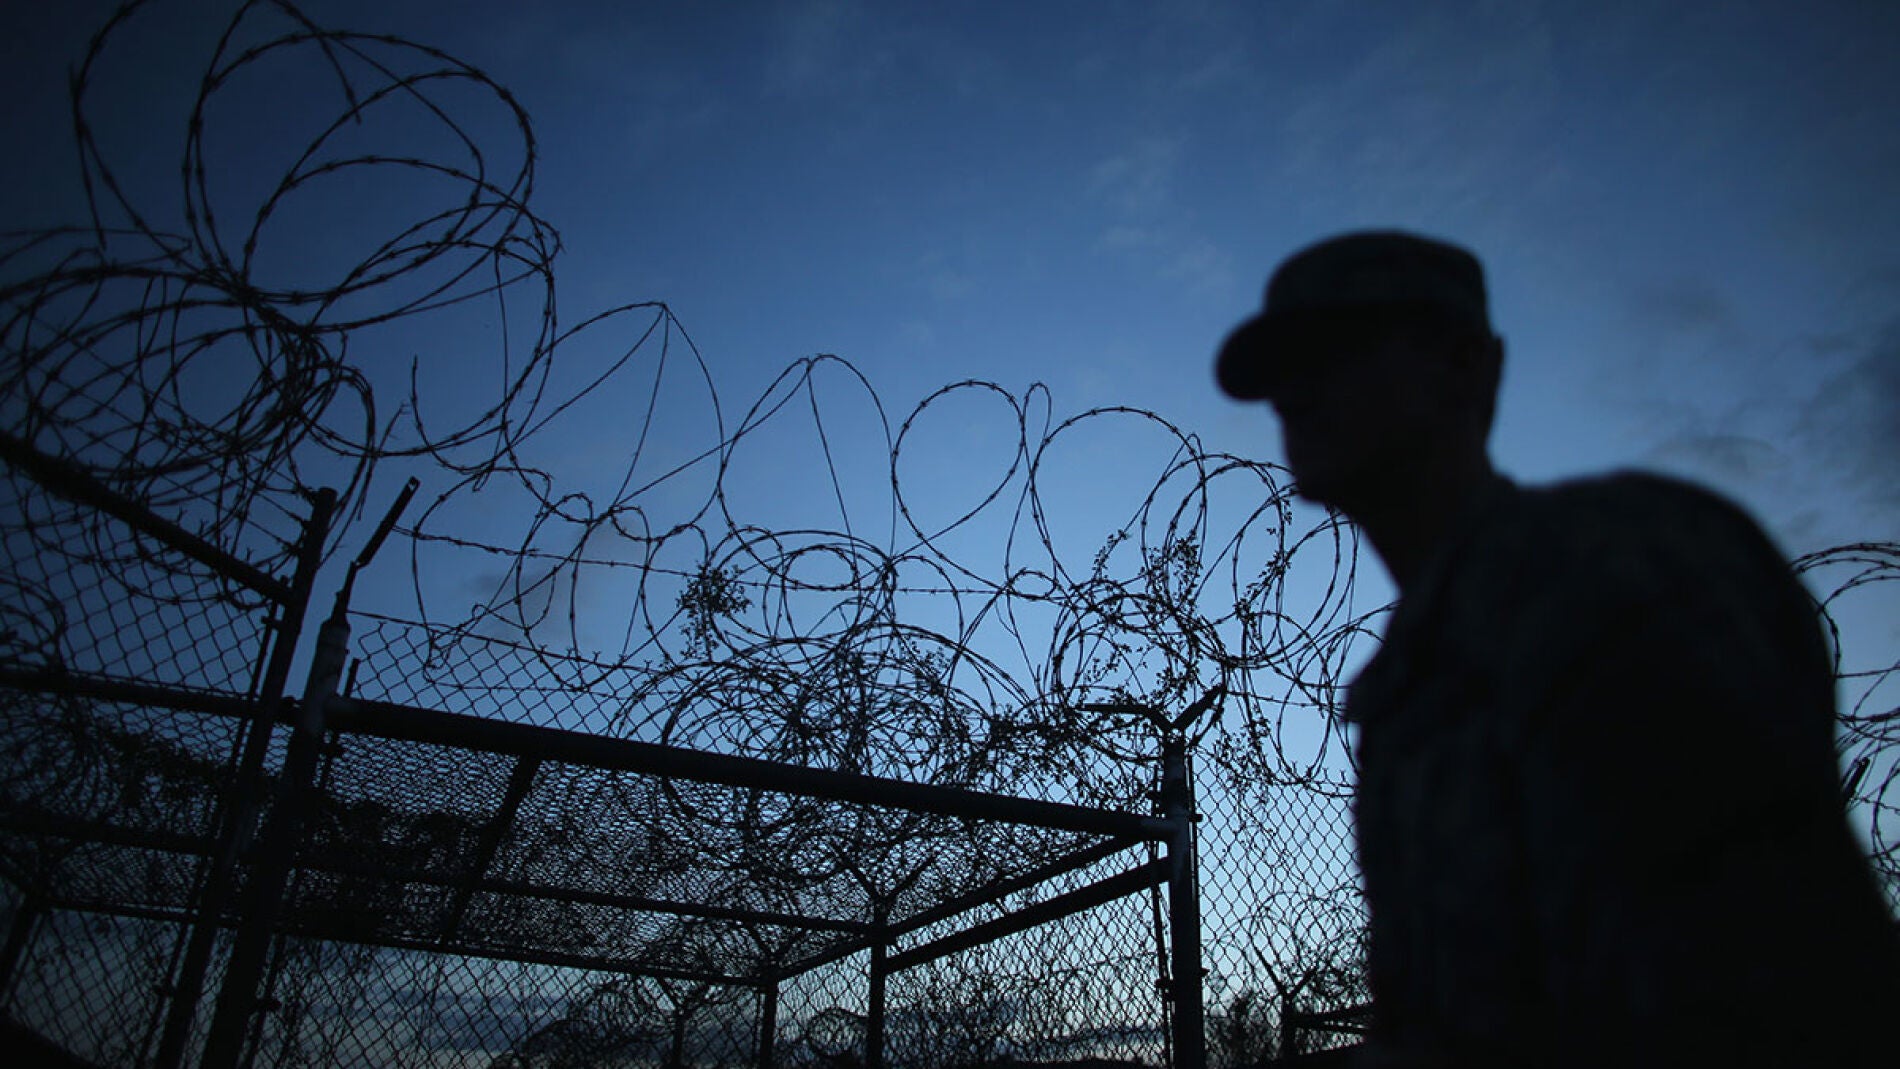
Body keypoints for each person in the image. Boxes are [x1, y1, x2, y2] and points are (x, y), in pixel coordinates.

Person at [1215, 231, 1900, 1067]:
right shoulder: (1407, 683)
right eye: (1281, 370)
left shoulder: (1617, 560)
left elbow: (1770, 978)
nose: (1293, 394)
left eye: (1337, 351)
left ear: (1468, 363)